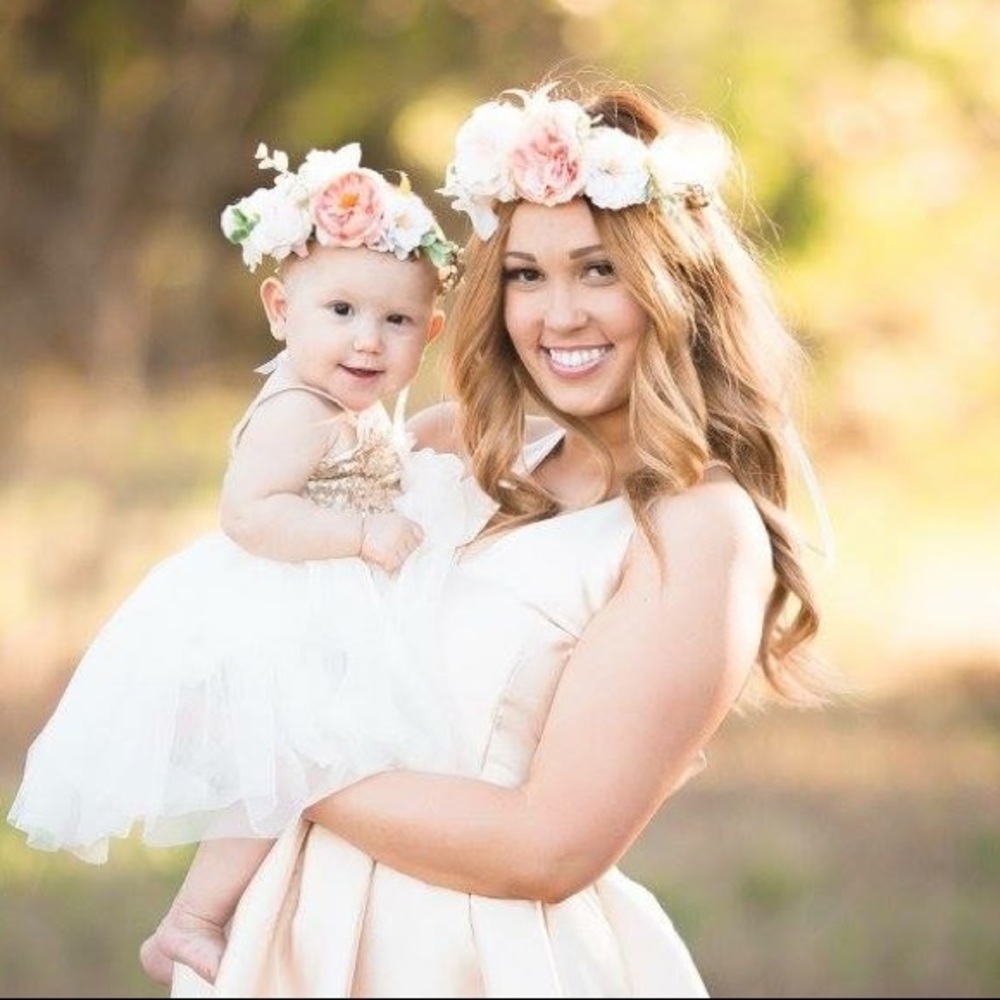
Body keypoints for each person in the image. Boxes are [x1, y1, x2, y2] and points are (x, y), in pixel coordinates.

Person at [163, 77, 832, 998]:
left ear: (678, 285)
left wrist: (281, 755)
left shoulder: (698, 529)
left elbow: (547, 847)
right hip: (298, 933)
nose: (558, 315)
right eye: (527, 274)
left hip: (477, 959)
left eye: (600, 270)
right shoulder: (451, 447)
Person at [7, 142, 466, 987]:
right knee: (286, 770)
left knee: (321, 776)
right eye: (340, 312)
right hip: (287, 615)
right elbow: (250, 514)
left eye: (396, 322)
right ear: (279, 308)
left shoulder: (343, 406)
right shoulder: (295, 412)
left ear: (428, 331)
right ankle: (189, 921)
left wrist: (430, 433)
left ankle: (308, 907)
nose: (367, 340)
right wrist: (363, 537)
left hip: (330, 606)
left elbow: (370, 461)